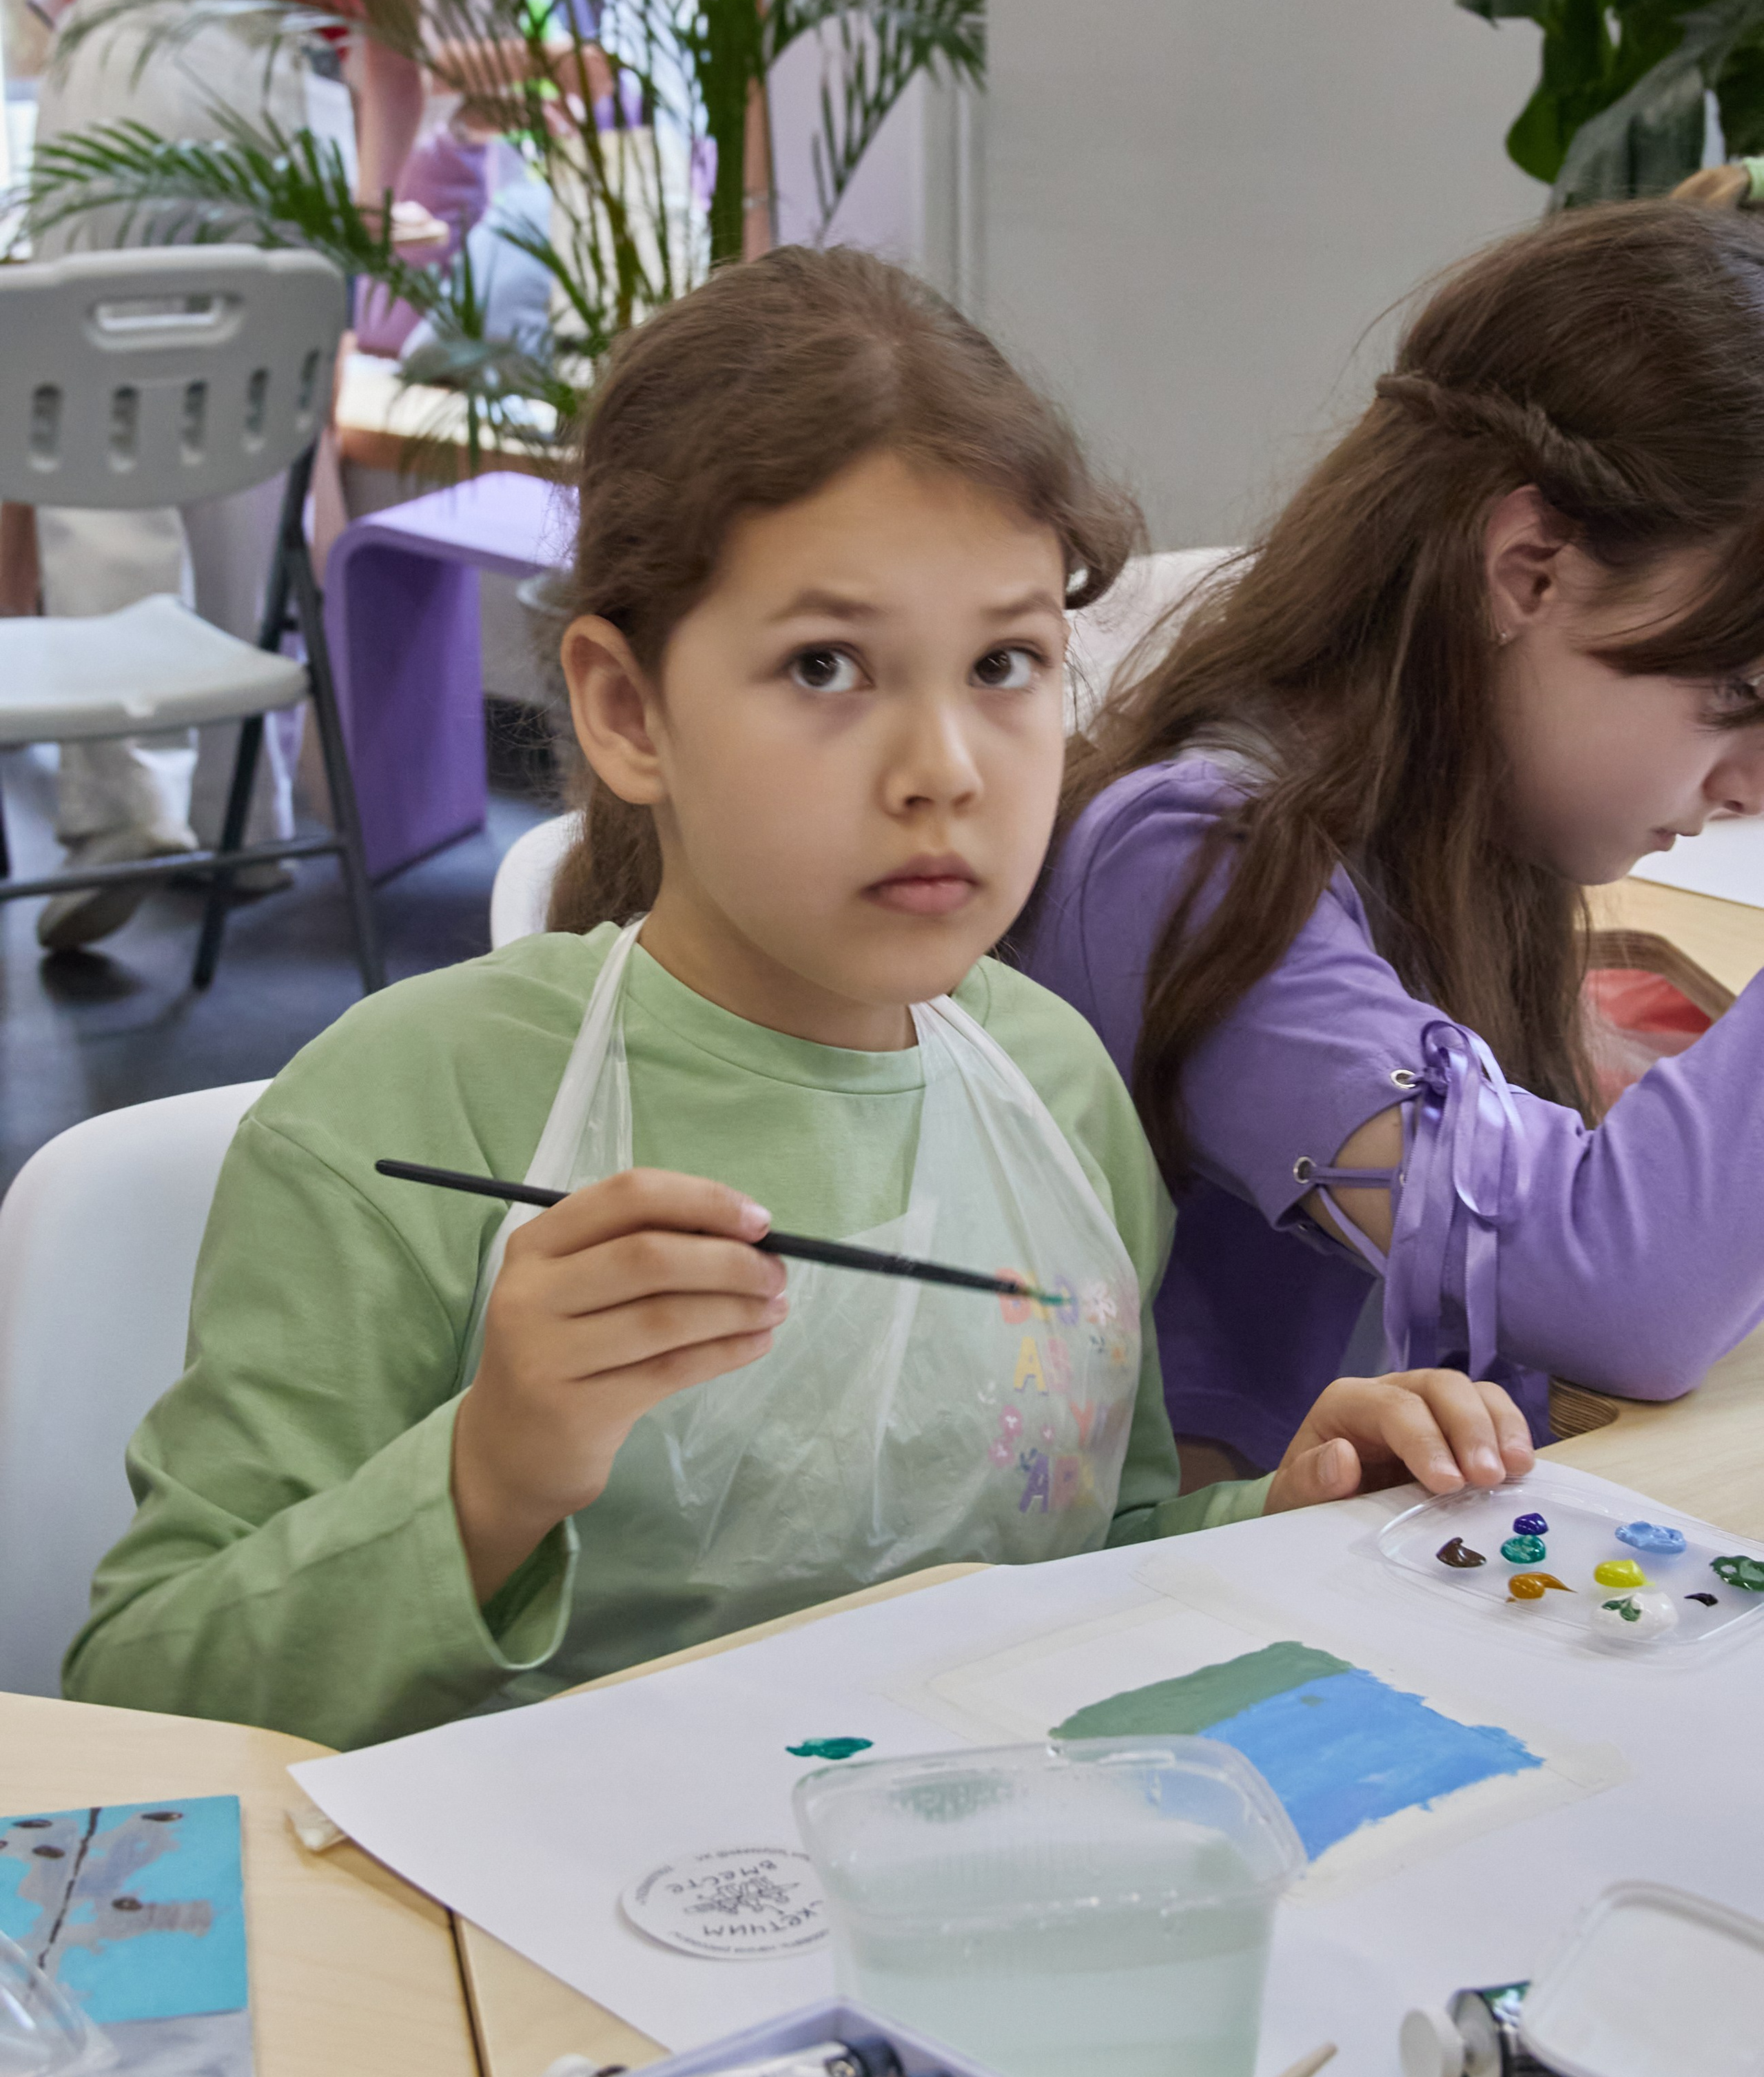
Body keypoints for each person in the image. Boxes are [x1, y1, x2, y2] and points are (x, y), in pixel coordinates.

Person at [63, 247, 1531, 1749]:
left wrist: (1273, 1516)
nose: (944, 770)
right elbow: (143, 1695)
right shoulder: (402, 1116)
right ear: (627, 710)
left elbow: (1074, 1559)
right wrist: (487, 1474)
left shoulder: (1055, 1087)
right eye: (826, 666)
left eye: (1006, 662)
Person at [1024, 200, 1764, 1483]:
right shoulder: (1189, 859)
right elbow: (1617, 1292)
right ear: (1529, 569)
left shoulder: (1478, 831)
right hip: (1216, 1588)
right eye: (1735, 695)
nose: (1752, 782)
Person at [0, 0, 424, 948]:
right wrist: (364, 215)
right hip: (284, 90)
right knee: (255, 451)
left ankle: (127, 807)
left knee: (100, 432)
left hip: (132, 55)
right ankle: (243, 827)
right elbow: (395, 56)